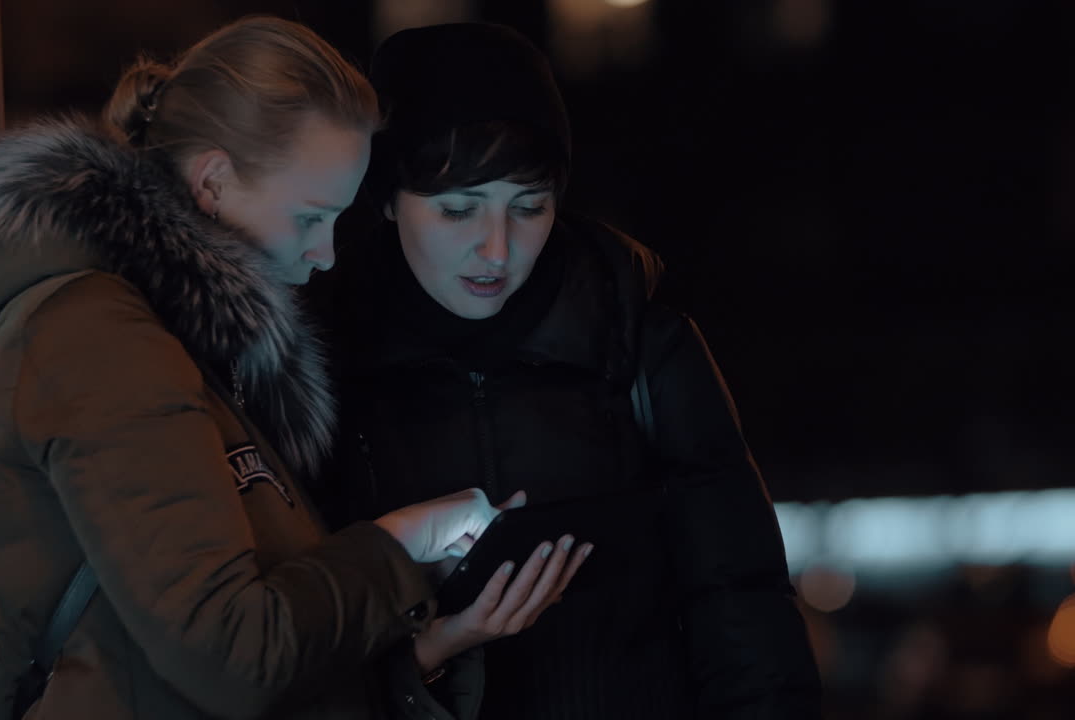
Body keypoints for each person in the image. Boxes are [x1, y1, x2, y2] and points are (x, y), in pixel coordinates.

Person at [0, 16, 559, 720]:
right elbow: (235, 659)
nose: (326, 253)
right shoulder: (100, 336)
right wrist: (396, 545)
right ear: (212, 181)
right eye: (310, 219)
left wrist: (421, 646)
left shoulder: (185, 340)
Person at [307, 22, 824, 719]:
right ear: (387, 198)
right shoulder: (321, 359)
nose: (496, 249)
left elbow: (741, 599)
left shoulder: (637, 339)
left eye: (530, 207)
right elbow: (286, 637)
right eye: (458, 210)